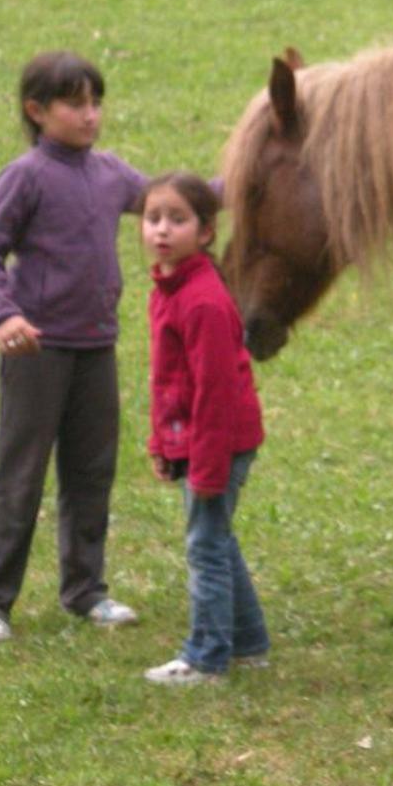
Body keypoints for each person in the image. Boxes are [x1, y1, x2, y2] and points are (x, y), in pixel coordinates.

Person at [0, 51, 145, 642]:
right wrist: (4, 316)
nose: (91, 115)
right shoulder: (26, 177)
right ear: (36, 111)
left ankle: (85, 590)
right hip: (36, 355)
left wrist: (238, 183)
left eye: (96, 102)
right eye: (76, 104)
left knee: (92, 472)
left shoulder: (112, 173)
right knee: (22, 475)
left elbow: (173, 198)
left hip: (98, 349)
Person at [138, 171, 268, 685]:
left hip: (219, 442)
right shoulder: (169, 288)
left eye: (178, 219)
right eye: (153, 219)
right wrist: (161, 442)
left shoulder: (203, 302)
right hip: (196, 439)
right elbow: (169, 382)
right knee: (217, 538)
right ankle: (250, 641)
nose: (162, 230)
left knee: (205, 546)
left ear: (207, 231)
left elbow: (215, 395)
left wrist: (207, 469)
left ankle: (207, 657)